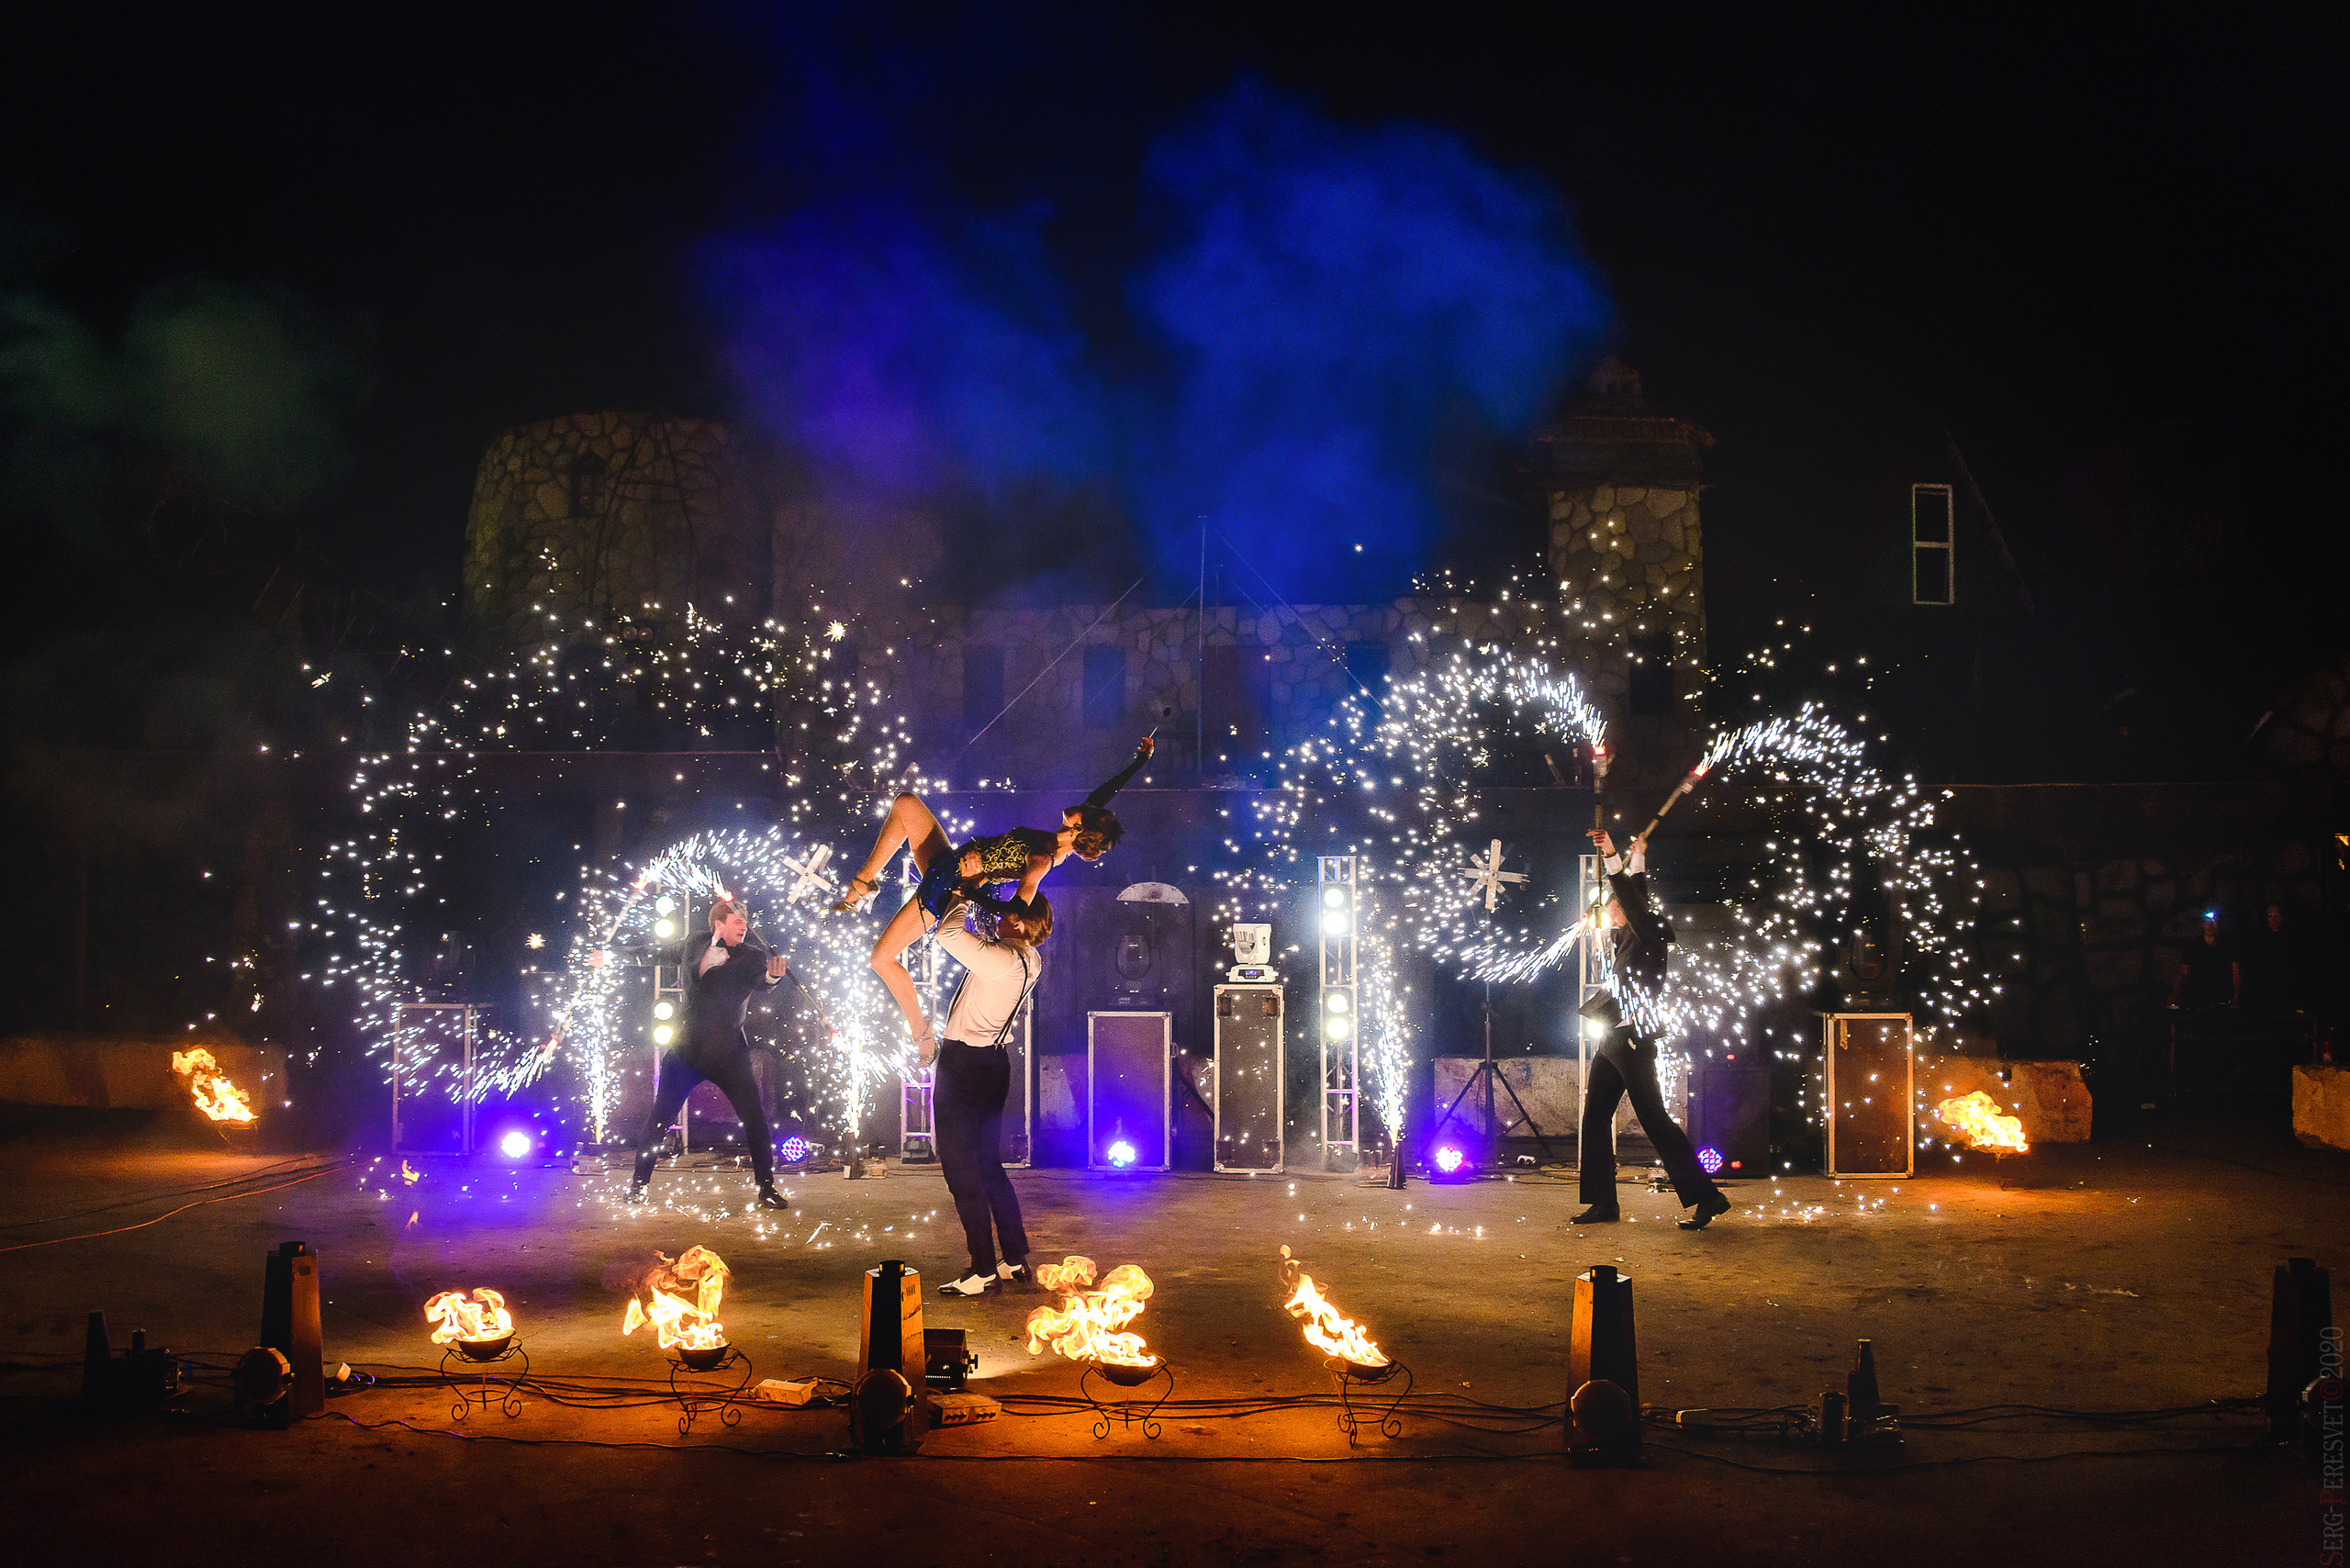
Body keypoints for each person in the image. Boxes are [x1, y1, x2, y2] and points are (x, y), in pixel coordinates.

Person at [834, 738, 1150, 1051]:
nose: (1082, 804)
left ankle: (922, 1033)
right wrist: (1139, 761)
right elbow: (1105, 793)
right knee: (905, 803)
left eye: (1083, 812)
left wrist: (970, 889)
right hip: (948, 862)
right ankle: (863, 883)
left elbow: (1014, 911)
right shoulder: (1070, 828)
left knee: (880, 958)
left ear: (1079, 829)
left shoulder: (1041, 860)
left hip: (945, 888)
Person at [1572, 829, 1730, 1232]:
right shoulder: (1631, 935)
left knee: (1655, 1121)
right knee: (1595, 1119)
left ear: (1629, 911)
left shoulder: (1647, 940)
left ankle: (1707, 1197)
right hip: (1613, 1039)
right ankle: (1604, 1202)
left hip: (1633, 1042)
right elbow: (1635, 893)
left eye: (1613, 905)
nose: (1608, 910)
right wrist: (1638, 856)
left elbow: (1630, 897)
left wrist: (1611, 855)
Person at [595, 900, 791, 1209]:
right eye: (738, 920)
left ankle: (766, 1189)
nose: (744, 926)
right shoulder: (694, 943)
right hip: (688, 1050)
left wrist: (772, 978)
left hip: (728, 1052)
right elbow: (653, 953)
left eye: (746, 921)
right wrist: (611, 956)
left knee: (755, 1120)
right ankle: (638, 1186)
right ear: (719, 923)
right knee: (659, 1117)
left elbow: (761, 983)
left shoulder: (753, 956)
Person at [924, 889, 1050, 1296]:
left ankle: (981, 1269)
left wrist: (958, 896)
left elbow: (947, 934)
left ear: (1016, 921)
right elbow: (980, 945)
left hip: (965, 1066)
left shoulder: (1002, 960)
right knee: (988, 1166)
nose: (995, 919)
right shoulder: (1029, 958)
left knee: (962, 1171)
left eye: (1002, 914)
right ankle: (1013, 1258)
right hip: (994, 1064)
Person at [2169, 913, 2239, 1011]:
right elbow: (2183, 972)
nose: (2210, 925)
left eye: (2214, 921)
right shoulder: (2194, 946)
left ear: (2219, 924)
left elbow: (2235, 971)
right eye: (2206, 921)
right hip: (2197, 996)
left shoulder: (2227, 946)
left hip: (2221, 996)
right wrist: (2175, 993)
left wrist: (2236, 994)